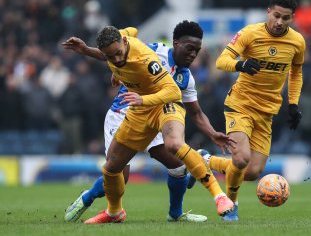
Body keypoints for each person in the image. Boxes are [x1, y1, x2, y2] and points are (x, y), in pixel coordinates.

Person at [62, 21, 235, 223]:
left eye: (197, 51)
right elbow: (119, 49)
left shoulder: (186, 79)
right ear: (176, 43)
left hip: (157, 110)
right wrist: (112, 65)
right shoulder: (153, 51)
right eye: (189, 49)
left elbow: (196, 112)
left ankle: (176, 213)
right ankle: (89, 197)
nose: (193, 55)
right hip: (123, 112)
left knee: (177, 164)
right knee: (118, 173)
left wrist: (212, 133)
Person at [188, 0, 305, 221]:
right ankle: (231, 205)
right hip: (240, 105)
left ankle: (204, 160)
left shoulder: (297, 41)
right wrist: (240, 64)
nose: (280, 22)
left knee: (251, 172)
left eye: (286, 18)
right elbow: (222, 61)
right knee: (240, 160)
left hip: (267, 111)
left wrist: (293, 104)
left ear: (292, 18)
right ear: (268, 12)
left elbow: (296, 72)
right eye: (277, 16)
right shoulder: (250, 33)